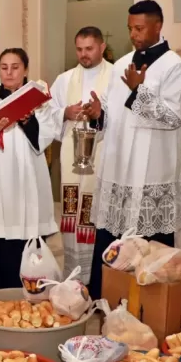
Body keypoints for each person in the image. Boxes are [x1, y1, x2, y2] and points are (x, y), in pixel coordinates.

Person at [82, 0, 181, 299]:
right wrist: (98, 113)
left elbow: (173, 117)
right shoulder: (122, 64)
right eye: (130, 28)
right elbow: (111, 110)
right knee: (110, 237)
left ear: (158, 26)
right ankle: (105, 297)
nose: (133, 34)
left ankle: (150, 305)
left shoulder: (174, 66)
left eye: (140, 28)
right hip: (118, 168)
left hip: (151, 172)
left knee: (150, 248)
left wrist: (138, 91)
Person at [0, 48, 60, 290]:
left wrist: (28, 120)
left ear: (25, 70)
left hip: (28, 182)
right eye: (4, 67)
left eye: (15, 67)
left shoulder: (40, 105)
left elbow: (43, 140)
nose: (9, 72)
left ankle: (27, 298)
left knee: (25, 249)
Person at [50, 26, 113, 284]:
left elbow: (124, 119)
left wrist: (100, 114)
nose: (83, 54)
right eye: (79, 49)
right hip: (72, 159)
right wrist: (65, 113)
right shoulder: (64, 80)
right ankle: (74, 276)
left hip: (104, 158)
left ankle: (98, 278)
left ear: (102, 47)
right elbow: (48, 113)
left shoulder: (116, 77)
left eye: (89, 49)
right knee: (73, 213)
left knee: (98, 214)